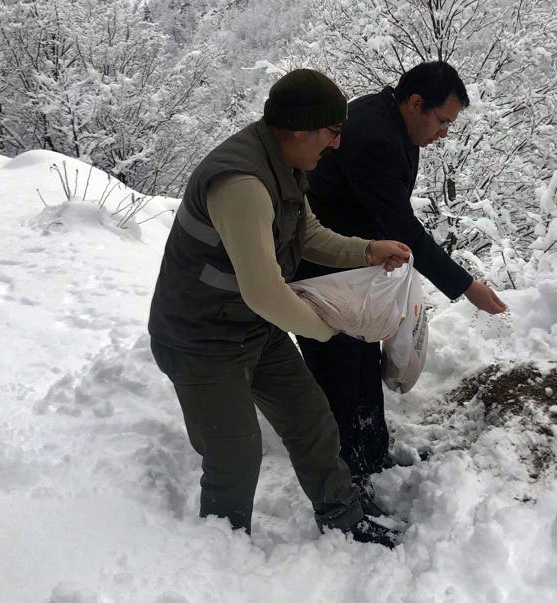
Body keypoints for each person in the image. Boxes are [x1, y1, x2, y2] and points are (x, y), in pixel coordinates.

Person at [147, 68, 411, 547]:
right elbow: (265, 293)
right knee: (235, 454)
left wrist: (368, 250)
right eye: (332, 131)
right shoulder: (243, 184)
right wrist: (328, 329)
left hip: (250, 328)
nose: (337, 143)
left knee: (312, 421)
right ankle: (221, 553)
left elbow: (307, 234)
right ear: (298, 129)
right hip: (199, 339)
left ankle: (343, 517)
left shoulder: (284, 164)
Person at [293, 61, 507, 509]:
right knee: (340, 380)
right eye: (442, 121)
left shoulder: (392, 121)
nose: (444, 134)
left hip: (355, 270)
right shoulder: (375, 137)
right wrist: (466, 286)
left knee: (362, 365)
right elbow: (404, 226)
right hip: (322, 272)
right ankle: (346, 492)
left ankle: (372, 458)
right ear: (415, 103)